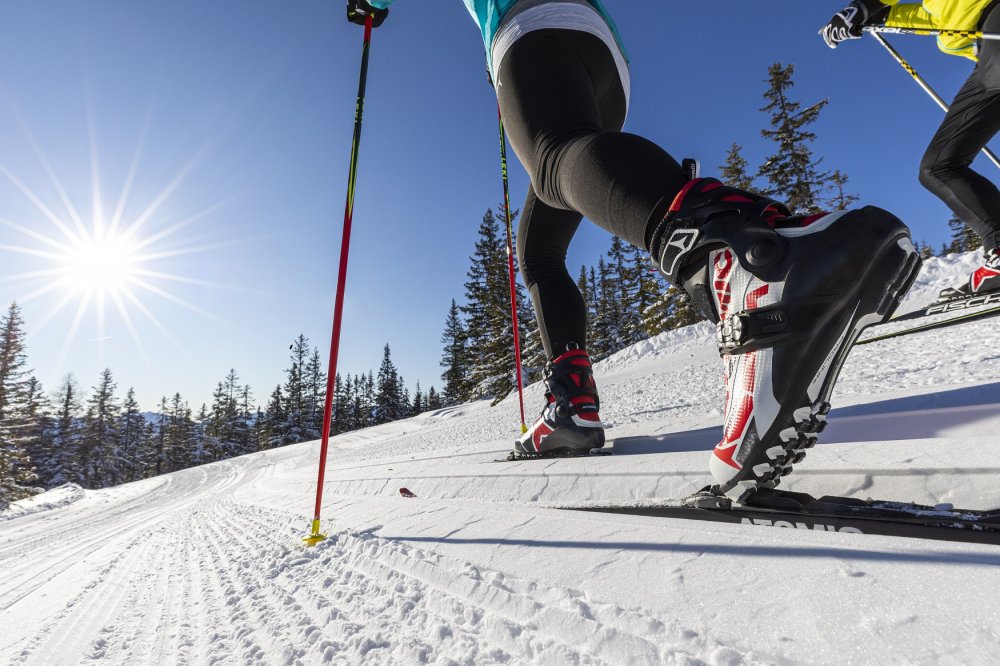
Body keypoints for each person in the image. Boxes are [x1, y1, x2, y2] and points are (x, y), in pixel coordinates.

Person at [347, 0, 921, 502]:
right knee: (541, 249)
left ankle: (747, 259)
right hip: (605, 59)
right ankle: (572, 403)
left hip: (529, 25)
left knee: (554, 161)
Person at [822, 0, 1000, 301]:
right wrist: (878, 16)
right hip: (986, 54)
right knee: (939, 166)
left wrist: (862, 7)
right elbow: (931, 17)